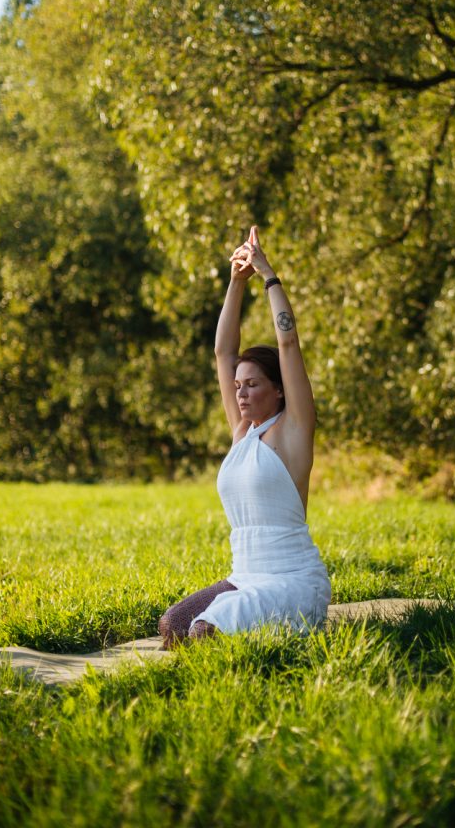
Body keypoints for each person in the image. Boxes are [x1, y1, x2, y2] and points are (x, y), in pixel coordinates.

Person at [158, 225, 332, 648]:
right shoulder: (242, 431)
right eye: (238, 386)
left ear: (279, 390)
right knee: (172, 626)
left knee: (203, 632)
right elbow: (223, 352)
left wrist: (268, 275)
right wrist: (236, 281)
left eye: (252, 385)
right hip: (244, 577)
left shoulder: (293, 431)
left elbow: (288, 343)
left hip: (292, 582)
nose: (241, 393)